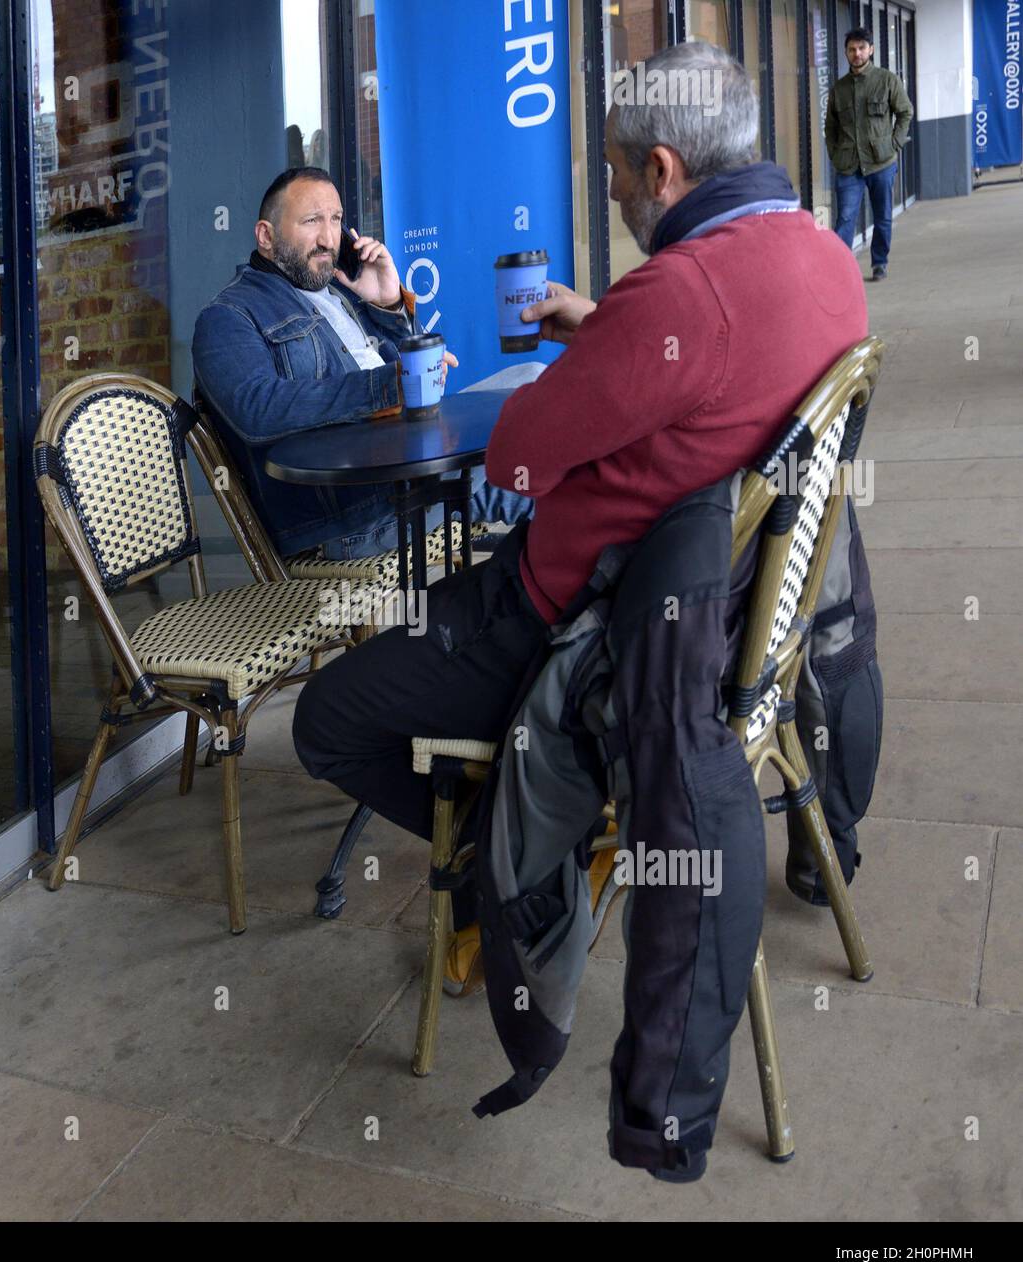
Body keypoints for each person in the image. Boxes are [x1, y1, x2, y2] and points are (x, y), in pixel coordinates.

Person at [292, 39, 868, 992]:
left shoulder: (680, 290)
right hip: (737, 632)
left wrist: (608, 349)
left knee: (327, 717)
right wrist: (611, 332)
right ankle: (535, 827)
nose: (607, 190)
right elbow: (725, 365)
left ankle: (515, 856)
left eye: (611, 169)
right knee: (422, 621)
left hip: (571, 629)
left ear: (663, 170)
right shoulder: (821, 254)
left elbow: (518, 456)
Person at [192, 167, 534, 562]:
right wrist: (385, 386)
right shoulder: (227, 316)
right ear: (266, 236)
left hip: (415, 459)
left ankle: (570, 603)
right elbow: (257, 409)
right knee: (549, 458)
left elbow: (414, 382)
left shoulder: (342, 292)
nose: (328, 238)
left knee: (536, 385)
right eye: (311, 221)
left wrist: (387, 305)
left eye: (335, 220)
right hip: (356, 511)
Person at [825, 26, 913, 282]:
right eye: (852, 49)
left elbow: (905, 112)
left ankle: (879, 263)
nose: (857, 53)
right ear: (846, 53)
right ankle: (839, 268)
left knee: (883, 216)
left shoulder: (887, 80)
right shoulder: (838, 89)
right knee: (844, 219)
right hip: (848, 166)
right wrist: (834, 153)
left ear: (871, 50)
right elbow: (830, 127)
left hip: (881, 163)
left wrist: (894, 143)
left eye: (862, 48)